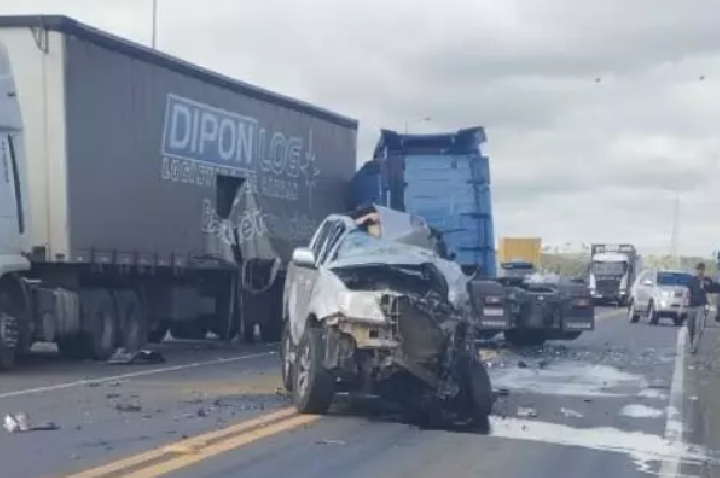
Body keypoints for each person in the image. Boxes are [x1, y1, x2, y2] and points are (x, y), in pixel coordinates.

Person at [686, 262, 720, 346]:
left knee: (698, 324)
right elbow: (688, 292)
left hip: (701, 305)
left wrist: (708, 285)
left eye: (701, 269)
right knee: (690, 325)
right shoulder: (691, 280)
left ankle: (696, 343)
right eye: (698, 269)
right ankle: (690, 339)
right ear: (696, 270)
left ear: (704, 270)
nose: (699, 271)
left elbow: (713, 288)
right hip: (691, 305)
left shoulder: (707, 280)